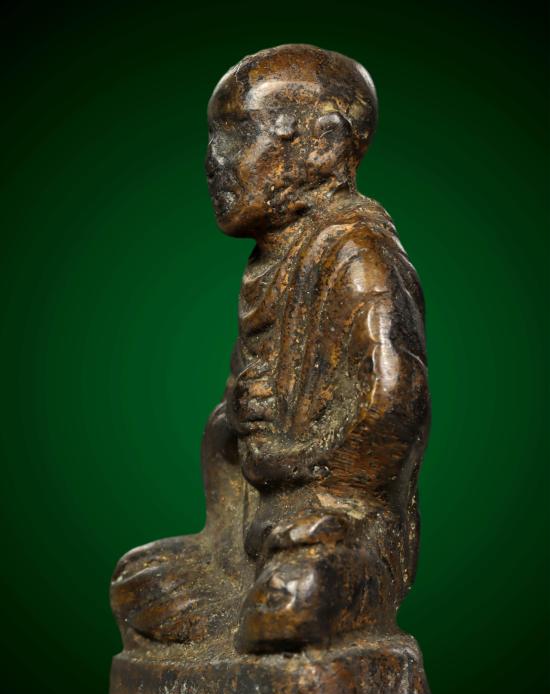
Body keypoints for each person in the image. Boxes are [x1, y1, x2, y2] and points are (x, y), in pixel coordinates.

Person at [111, 44, 430, 654]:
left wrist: (296, 458)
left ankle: (270, 608)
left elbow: (395, 408)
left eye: (237, 136)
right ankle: (241, 606)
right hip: (253, 532)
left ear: (321, 147)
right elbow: (236, 439)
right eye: (213, 139)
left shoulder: (357, 257)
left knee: (295, 591)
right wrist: (237, 414)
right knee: (136, 581)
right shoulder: (272, 261)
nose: (213, 161)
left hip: (343, 527)